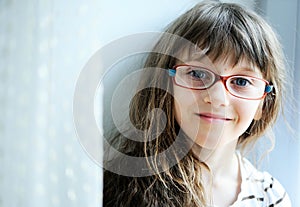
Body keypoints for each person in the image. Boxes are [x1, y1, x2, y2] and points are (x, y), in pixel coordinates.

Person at [103, 0, 291, 206]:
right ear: (166, 85)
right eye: (198, 73)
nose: (218, 98)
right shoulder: (122, 184)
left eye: (241, 81)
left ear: (263, 104)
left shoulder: (271, 196)